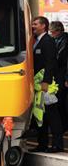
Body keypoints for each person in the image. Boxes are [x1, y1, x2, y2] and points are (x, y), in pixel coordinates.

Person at [31, 16, 64, 153]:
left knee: (52, 114)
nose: (33, 26)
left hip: (47, 85)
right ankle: (42, 144)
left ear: (43, 26)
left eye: (35, 24)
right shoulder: (37, 41)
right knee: (41, 115)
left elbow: (51, 62)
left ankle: (57, 144)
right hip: (39, 85)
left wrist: (46, 81)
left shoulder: (47, 41)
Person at [49, 21, 68, 131]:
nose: (51, 34)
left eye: (52, 32)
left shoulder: (65, 42)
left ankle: (63, 125)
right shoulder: (56, 40)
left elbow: (63, 60)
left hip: (62, 74)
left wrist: (66, 77)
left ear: (58, 31)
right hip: (58, 74)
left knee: (61, 101)